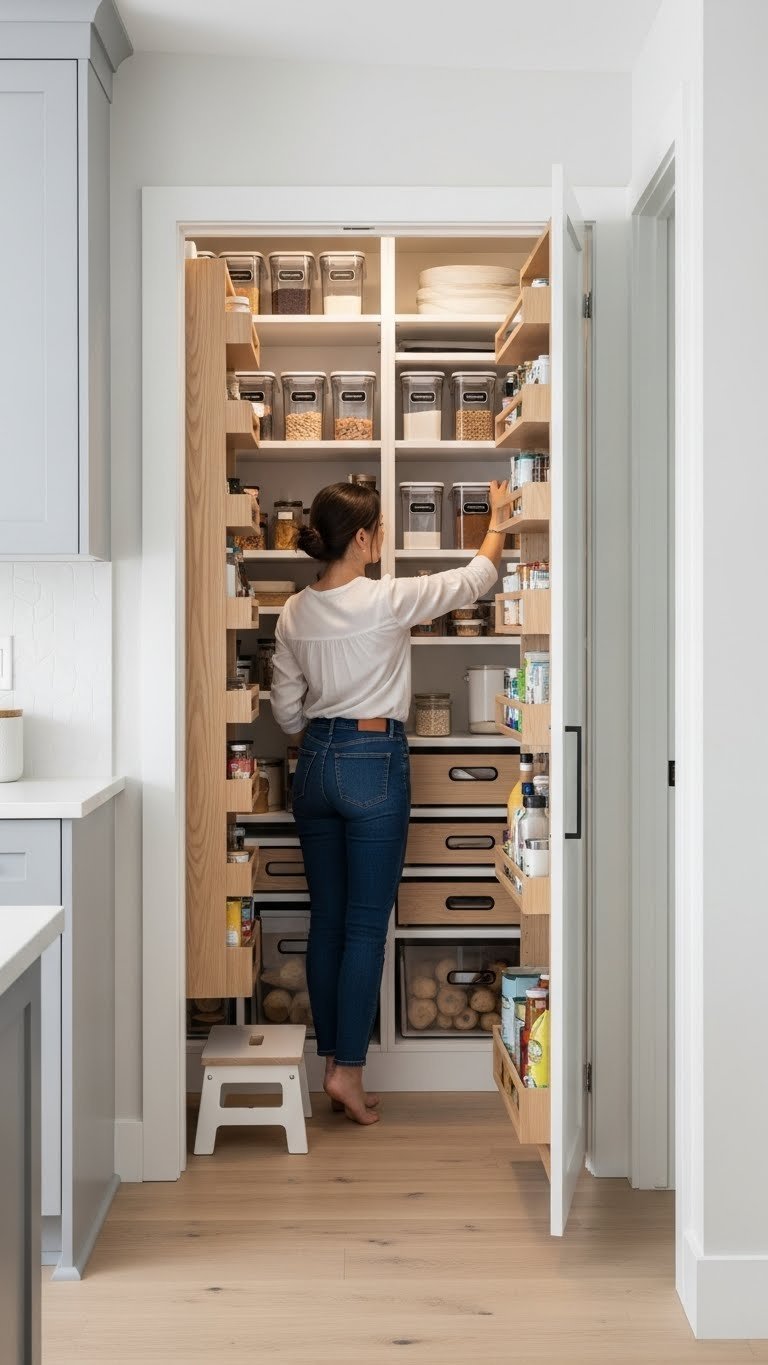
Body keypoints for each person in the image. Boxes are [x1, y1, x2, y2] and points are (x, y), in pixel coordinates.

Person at [271, 479, 511, 1124]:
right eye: (380, 529)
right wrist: (498, 519)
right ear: (363, 538)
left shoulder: (294, 610)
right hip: (373, 761)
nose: (385, 539)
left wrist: (324, 725)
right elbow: (475, 579)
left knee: (327, 922)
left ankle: (332, 1065)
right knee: (365, 926)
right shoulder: (385, 599)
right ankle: (348, 1071)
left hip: (315, 766)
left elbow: (287, 711)